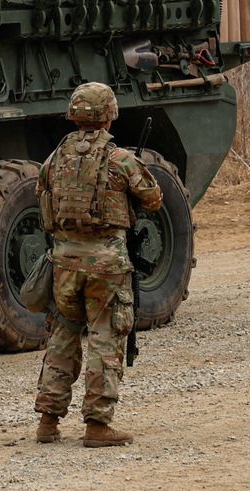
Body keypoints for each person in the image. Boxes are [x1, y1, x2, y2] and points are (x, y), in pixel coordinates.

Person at [33, 82, 163, 448]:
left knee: (61, 338)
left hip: (64, 264)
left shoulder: (54, 158)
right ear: (109, 116)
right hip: (107, 265)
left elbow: (41, 198)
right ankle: (97, 424)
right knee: (105, 339)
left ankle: (48, 420)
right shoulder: (121, 159)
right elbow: (154, 199)